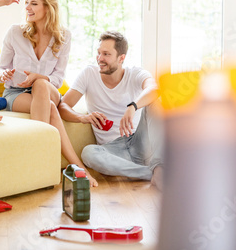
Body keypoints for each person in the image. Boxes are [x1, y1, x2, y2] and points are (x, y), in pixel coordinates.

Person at [0, 0, 98, 187]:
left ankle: (35, 160)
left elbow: (58, 79)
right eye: (26, 3)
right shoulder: (15, 32)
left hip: (48, 90)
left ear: (48, 8)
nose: (27, 8)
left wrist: (37, 77)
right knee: (49, 108)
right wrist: (2, 74)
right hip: (16, 93)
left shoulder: (63, 36)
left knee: (41, 84)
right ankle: (78, 168)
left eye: (33, 3)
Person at [58, 31, 163, 188]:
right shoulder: (89, 74)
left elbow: (155, 88)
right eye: (99, 53)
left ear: (121, 58)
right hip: (113, 150)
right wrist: (81, 117)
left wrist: (133, 106)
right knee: (89, 153)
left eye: (106, 54)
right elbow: (63, 106)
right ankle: (152, 173)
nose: (100, 59)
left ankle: (160, 167)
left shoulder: (135, 74)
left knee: (157, 102)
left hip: (139, 141)